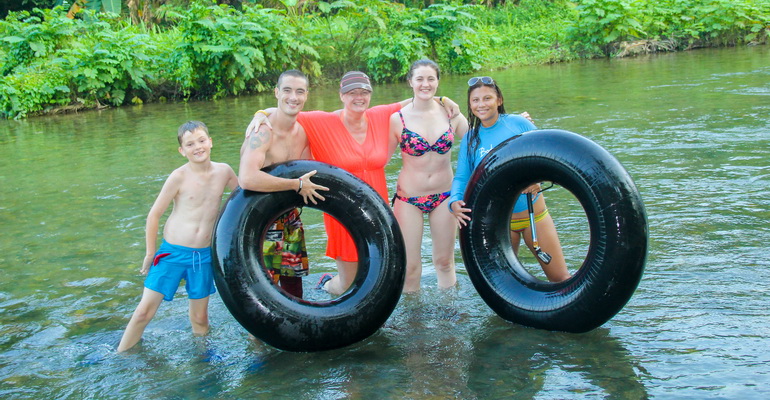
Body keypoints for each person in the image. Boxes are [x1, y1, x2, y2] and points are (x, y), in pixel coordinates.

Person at [247, 71, 459, 295]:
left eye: (364, 92)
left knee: (379, 278)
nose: (358, 97)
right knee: (348, 285)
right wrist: (261, 113)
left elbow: (418, 98)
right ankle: (328, 284)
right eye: (351, 93)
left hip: (377, 211)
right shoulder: (321, 121)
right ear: (341, 95)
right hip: (342, 213)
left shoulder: (381, 115)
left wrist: (444, 100)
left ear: (370, 95)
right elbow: (286, 109)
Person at [117, 121, 238, 352]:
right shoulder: (178, 177)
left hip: (202, 256)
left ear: (210, 142)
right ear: (182, 151)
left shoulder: (224, 172)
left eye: (202, 141)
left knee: (200, 318)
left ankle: (203, 362)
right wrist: (150, 253)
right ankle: (121, 354)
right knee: (144, 311)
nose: (198, 147)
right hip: (172, 252)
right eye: (190, 144)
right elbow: (154, 215)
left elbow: (244, 196)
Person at [448, 76, 571, 282]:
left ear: (499, 100)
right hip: (499, 224)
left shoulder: (519, 124)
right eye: (476, 100)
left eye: (487, 98)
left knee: (560, 277)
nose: (482, 104)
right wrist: (454, 201)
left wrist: (536, 180)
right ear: (470, 105)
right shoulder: (471, 139)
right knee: (505, 289)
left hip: (535, 217)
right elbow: (462, 177)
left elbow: (545, 157)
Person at [238, 69, 329, 298]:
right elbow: (247, 178)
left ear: (306, 95)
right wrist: (296, 185)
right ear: (277, 92)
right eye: (287, 90)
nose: (293, 97)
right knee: (263, 294)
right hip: (259, 221)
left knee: (293, 289)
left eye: (299, 91)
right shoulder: (263, 131)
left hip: (289, 218)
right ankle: (255, 336)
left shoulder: (304, 131)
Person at [389, 59, 468, 292]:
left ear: (438, 82)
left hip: (445, 196)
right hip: (408, 199)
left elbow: (480, 139)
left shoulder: (451, 114)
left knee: (445, 262)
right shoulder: (398, 119)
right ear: (410, 82)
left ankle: (450, 317)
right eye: (420, 79)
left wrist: (515, 123)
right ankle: (413, 323)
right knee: (411, 269)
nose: (425, 84)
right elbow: (376, 158)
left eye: (431, 78)